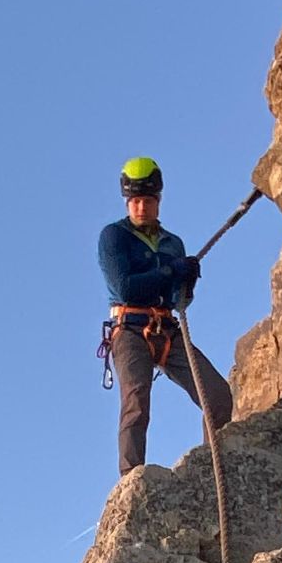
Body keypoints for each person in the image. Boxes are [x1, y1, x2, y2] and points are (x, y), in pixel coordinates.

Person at [98, 157, 234, 475]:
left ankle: (210, 467)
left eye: (146, 200)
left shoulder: (173, 244)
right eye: (134, 201)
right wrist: (171, 270)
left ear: (158, 201)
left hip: (167, 328)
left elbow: (179, 301)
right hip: (129, 328)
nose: (140, 207)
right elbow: (126, 287)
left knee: (217, 395)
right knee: (136, 402)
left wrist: (187, 280)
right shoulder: (113, 237)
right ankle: (132, 479)